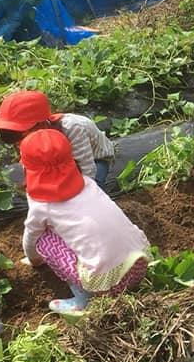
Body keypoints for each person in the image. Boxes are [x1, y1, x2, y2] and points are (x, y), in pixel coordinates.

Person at [19, 128, 150, 314]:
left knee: (43, 239)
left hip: (108, 286)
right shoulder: (88, 183)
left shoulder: (42, 206)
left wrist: (35, 260)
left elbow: (30, 239)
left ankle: (82, 300)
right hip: (139, 266)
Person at [0, 90, 114, 189]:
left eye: (22, 135)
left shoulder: (72, 128)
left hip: (95, 158)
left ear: (41, 123)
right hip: (61, 161)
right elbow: (28, 164)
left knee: (90, 191)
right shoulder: (26, 136)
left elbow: (87, 170)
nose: (20, 142)